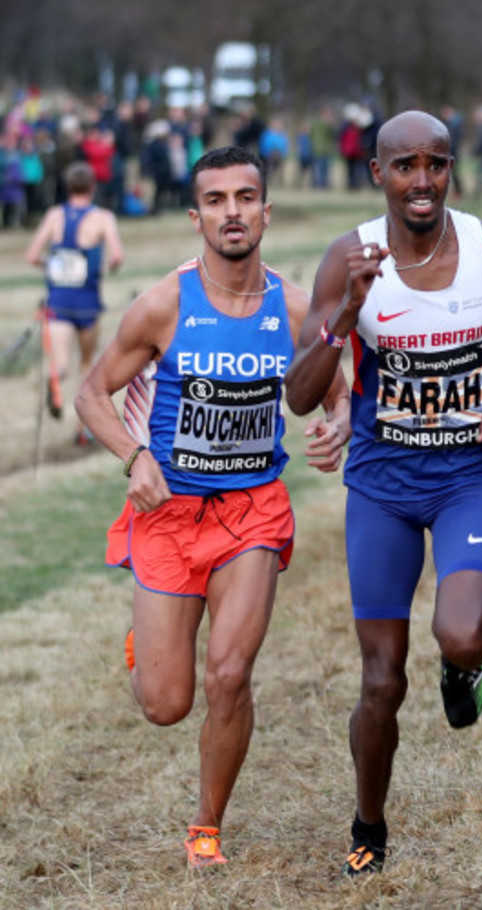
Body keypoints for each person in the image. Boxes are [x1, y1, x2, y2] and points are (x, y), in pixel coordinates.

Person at [284, 110, 482, 877]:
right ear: (377, 173)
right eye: (404, 166)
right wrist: (346, 310)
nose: (421, 181)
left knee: (464, 634)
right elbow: (302, 397)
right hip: (381, 482)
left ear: (451, 169)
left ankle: (465, 666)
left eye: (435, 164)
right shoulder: (347, 255)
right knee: (381, 679)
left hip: (466, 474)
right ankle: (368, 823)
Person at [74, 146, 350, 869]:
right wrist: (135, 458)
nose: (234, 212)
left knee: (230, 672)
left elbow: (335, 388)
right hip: (168, 517)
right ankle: (147, 645)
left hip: (251, 510)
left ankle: (206, 827)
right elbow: (89, 394)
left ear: (266, 209)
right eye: (218, 200)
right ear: (197, 216)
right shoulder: (166, 303)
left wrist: (340, 423)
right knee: (166, 702)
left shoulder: (292, 307)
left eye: (246, 197)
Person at [25, 160, 124, 443]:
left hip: (58, 300)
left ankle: (54, 382)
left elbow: (32, 256)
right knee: (88, 365)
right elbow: (117, 257)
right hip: (87, 303)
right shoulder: (103, 218)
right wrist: (99, 266)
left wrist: (54, 263)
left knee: (62, 365)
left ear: (68, 187)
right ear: (93, 187)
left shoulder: (54, 215)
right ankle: (85, 430)